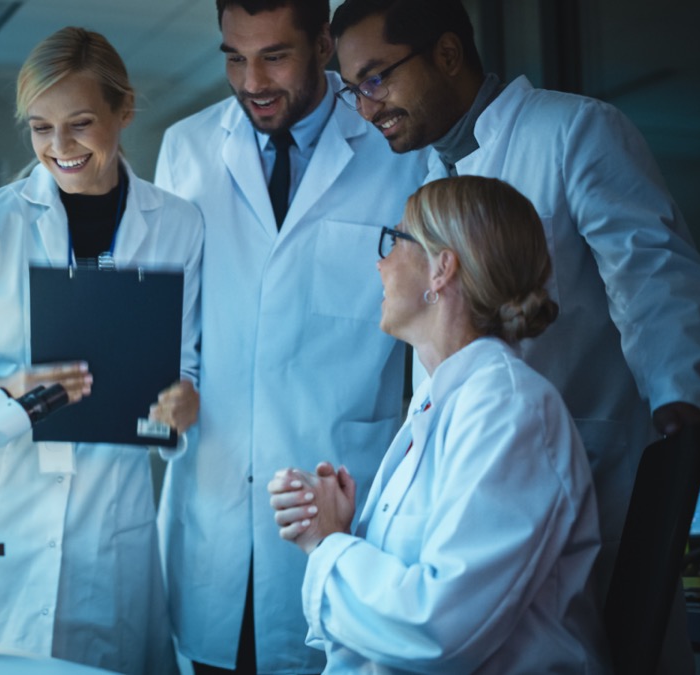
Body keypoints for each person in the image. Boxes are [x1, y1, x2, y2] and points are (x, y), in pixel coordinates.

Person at [330, 0, 700, 602]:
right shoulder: (421, 176)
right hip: (472, 496)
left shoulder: (572, 131)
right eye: (352, 90)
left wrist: (687, 417)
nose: (366, 107)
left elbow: (654, 280)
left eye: (377, 78)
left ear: (446, 54)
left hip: (591, 475)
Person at [0, 26, 201, 675]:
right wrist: (3, 389)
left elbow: (191, 356)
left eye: (80, 124)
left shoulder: (179, 223)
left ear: (124, 110)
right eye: (40, 128)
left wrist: (183, 402)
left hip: (109, 531)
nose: (58, 148)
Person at [153, 0, 429, 672]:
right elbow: (170, 326)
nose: (252, 81)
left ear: (325, 43)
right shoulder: (186, 149)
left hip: (339, 492)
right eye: (234, 56)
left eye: (274, 55)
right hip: (212, 497)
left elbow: (430, 330)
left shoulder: (395, 152)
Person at [269, 175, 610, 673]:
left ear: (441, 268)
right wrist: (342, 525)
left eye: (395, 240)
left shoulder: (508, 410)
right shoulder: (442, 399)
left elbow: (437, 630)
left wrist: (327, 544)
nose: (380, 263)